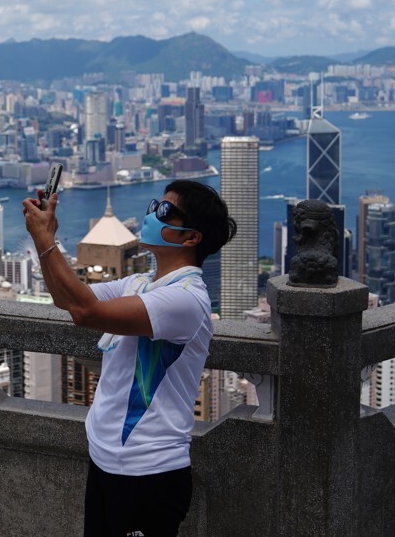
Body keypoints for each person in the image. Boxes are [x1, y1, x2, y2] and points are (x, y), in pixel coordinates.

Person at [23, 179, 236, 537]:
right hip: (105, 460)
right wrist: (42, 237)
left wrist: (47, 241)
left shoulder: (187, 299)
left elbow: (85, 312)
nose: (152, 214)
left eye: (165, 211)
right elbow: (68, 299)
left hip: (148, 473)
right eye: (155, 205)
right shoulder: (138, 283)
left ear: (191, 238)